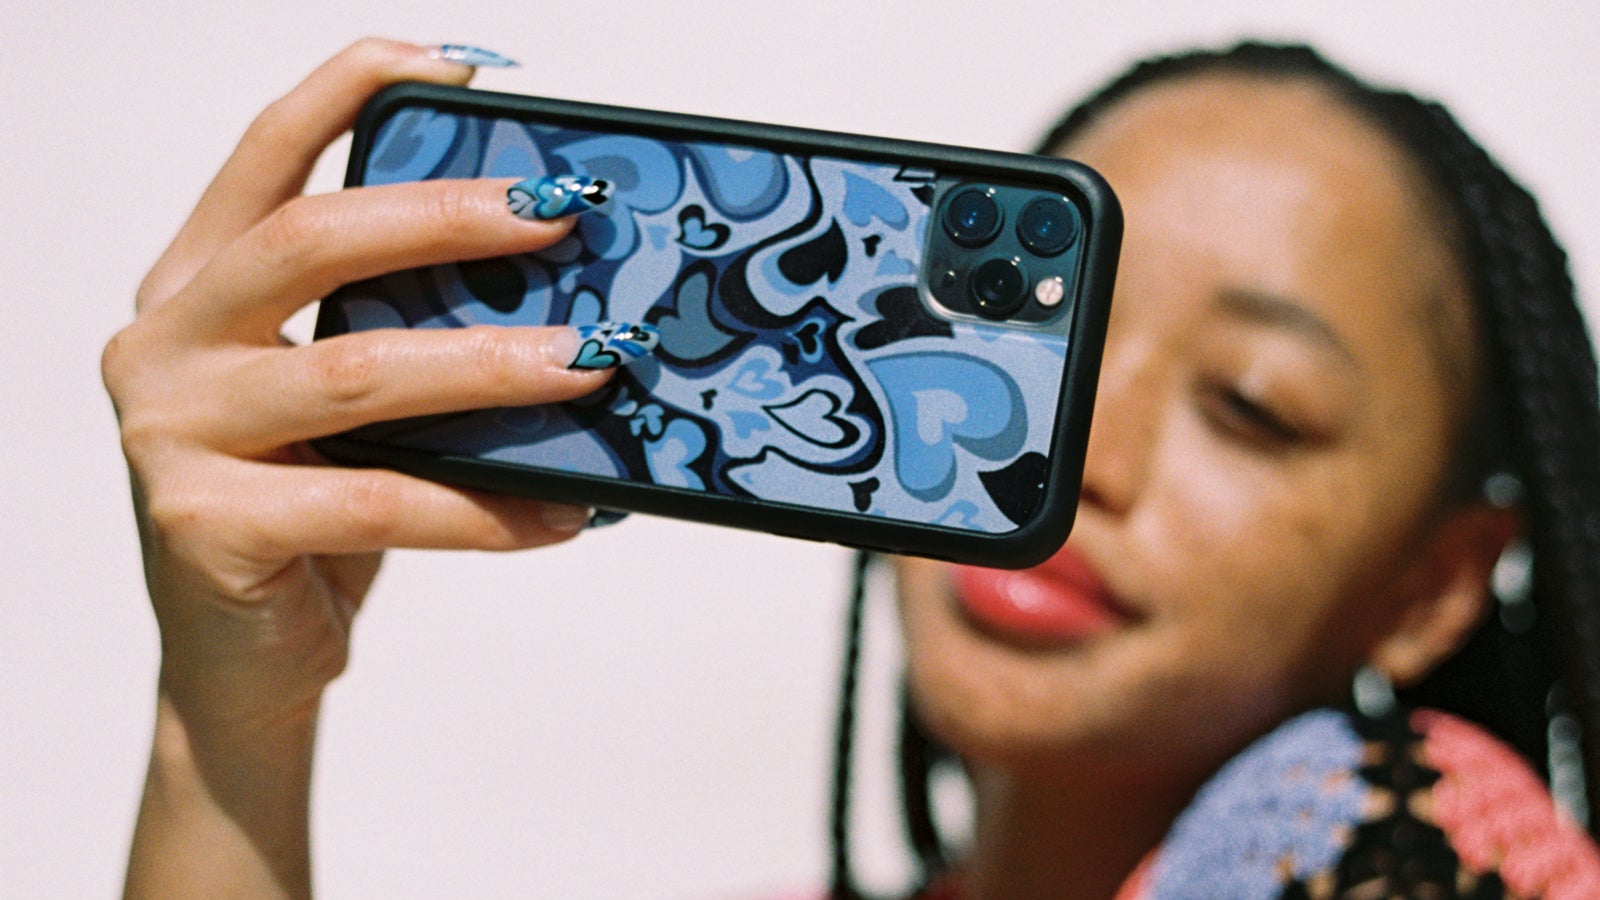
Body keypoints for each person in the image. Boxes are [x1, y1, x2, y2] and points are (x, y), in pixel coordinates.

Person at [102, 37, 1600, 899]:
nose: (1087, 449)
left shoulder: (1406, 836)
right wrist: (228, 721)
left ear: (1431, 586)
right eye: (1042, 337)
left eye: (1252, 407)